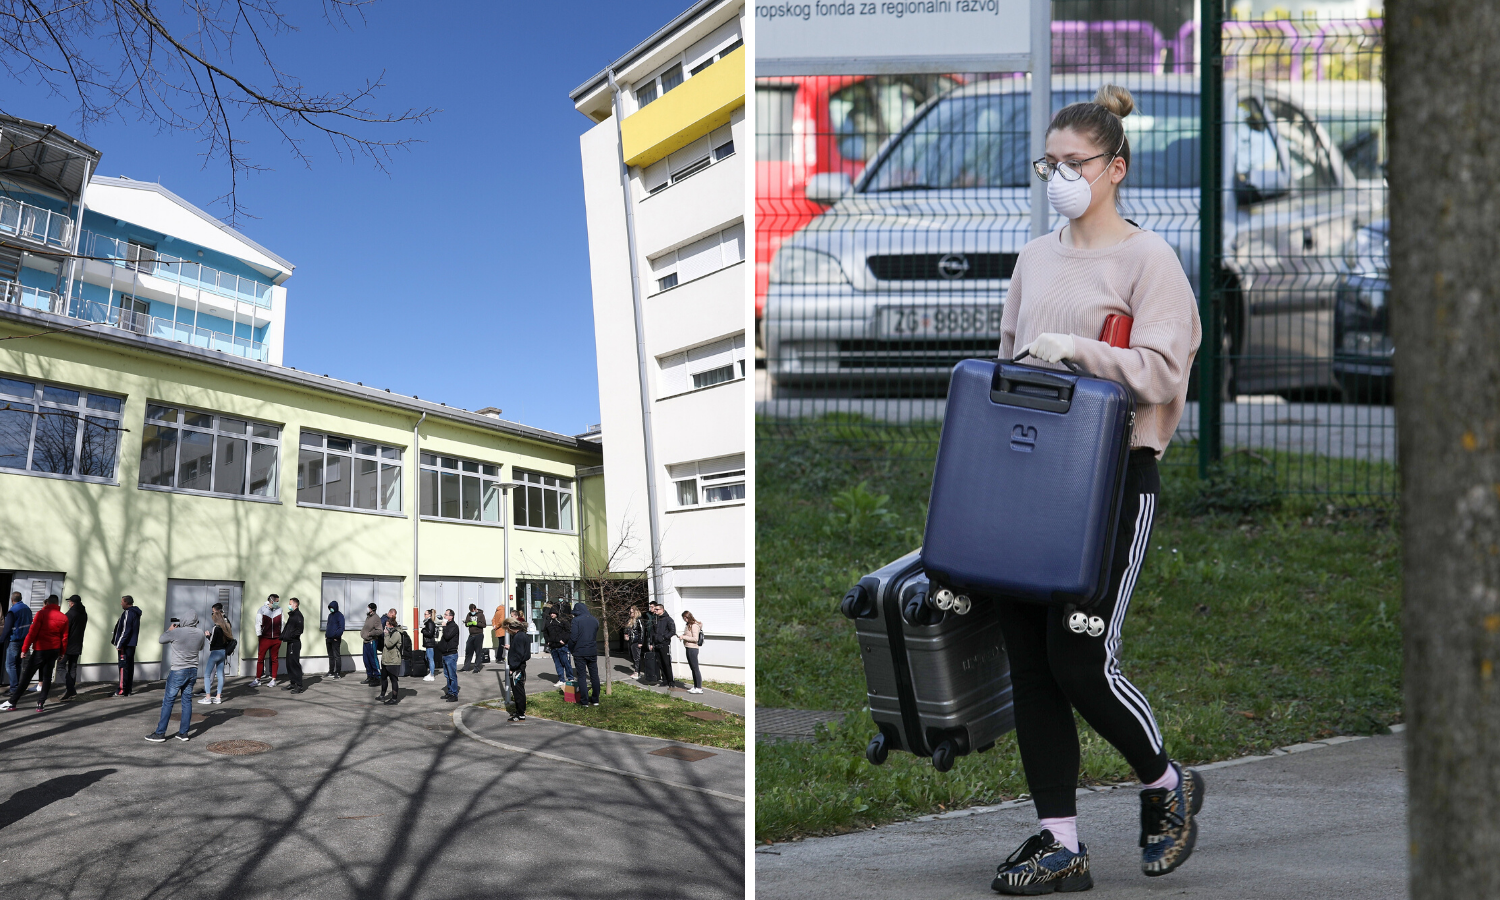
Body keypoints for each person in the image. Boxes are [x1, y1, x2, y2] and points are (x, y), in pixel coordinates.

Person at [988, 85, 1204, 895]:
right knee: (1030, 666)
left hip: (1112, 482)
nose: (1059, 176)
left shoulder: (1149, 261)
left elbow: (1161, 372)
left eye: (1074, 163)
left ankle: (1165, 784)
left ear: (1115, 168)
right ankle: (1060, 842)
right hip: (1026, 482)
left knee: (1079, 658)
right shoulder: (1034, 257)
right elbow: (1008, 367)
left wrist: (1078, 350)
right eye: (1050, 162)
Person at [0, 594, 67, 711]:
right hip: (54, 650)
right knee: (47, 677)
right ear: (57, 604)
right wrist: (62, 653)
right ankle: (41, 704)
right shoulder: (63, 618)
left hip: (40, 650)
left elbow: (32, 633)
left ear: (48, 603)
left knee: (27, 677)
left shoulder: (41, 614)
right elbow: (64, 638)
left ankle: (12, 702)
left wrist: (24, 649)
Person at [146, 614, 205, 743]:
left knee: (168, 701)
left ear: (184, 620)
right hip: (193, 670)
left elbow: (161, 639)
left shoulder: (177, 632)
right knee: (187, 701)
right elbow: (201, 647)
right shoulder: (200, 633)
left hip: (178, 670)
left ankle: (160, 733)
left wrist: (169, 630)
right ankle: (183, 733)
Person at [568, 601, 600, 707]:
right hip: (592, 651)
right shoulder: (595, 620)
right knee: (594, 676)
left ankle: (584, 701)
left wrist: (570, 649)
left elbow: (573, 638)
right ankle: (595, 699)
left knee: (581, 676)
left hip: (579, 651)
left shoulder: (576, 620)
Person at [2, 591, 32, 691]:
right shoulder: (27, 609)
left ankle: (14, 689)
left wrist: (1, 640)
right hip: (24, 640)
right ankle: (17, 687)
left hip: (14, 640)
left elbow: (7, 628)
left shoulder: (13, 611)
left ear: (12, 600)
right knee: (18, 664)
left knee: (10, 665)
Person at [111, 595, 141, 696]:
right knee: (129, 666)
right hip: (130, 644)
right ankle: (128, 689)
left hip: (126, 645)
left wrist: (119, 644)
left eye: (122, 601)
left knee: (123, 667)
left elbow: (125, 630)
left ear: (126, 602)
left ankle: (122, 689)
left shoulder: (128, 613)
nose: (121, 603)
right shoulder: (134, 613)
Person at [60, 594, 87, 701]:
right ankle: (70, 691)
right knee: (72, 667)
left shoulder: (70, 614)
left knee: (60, 666)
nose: (69, 604)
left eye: (69, 602)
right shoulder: (84, 613)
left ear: (72, 603)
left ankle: (70, 689)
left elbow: (64, 630)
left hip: (68, 644)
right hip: (78, 644)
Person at [204, 602, 233, 704]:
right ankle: (218, 697)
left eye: (213, 613)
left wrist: (208, 636)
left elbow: (212, 642)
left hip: (215, 652)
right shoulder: (226, 625)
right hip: (223, 651)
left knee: (207, 674)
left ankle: (207, 697)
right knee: (220, 674)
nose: (212, 615)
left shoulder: (216, 627)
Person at [504, 614, 530, 721]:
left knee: (517, 690)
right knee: (519, 689)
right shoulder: (523, 635)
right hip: (520, 666)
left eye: (507, 629)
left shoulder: (518, 636)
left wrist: (513, 667)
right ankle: (520, 711)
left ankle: (520, 713)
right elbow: (524, 652)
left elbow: (519, 654)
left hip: (517, 667)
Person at [253, 593, 282, 687]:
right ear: (271, 601)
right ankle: (258, 679)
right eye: (276, 601)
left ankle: (273, 679)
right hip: (265, 638)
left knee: (274, 659)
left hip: (276, 638)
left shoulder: (280, 610)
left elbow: (282, 623)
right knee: (260, 659)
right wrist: (259, 635)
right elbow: (258, 623)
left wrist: (280, 635)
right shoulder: (262, 609)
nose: (278, 603)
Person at [378, 614, 408, 704]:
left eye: (387, 625)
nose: (385, 626)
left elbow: (389, 644)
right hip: (386, 660)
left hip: (393, 661)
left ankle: (394, 699)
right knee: (383, 678)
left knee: (393, 679)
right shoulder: (389, 633)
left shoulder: (396, 634)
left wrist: (386, 635)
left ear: (391, 625)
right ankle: (382, 695)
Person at [647, 601, 676, 688]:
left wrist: (664, 638)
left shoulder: (668, 619)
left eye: (657, 609)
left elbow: (672, 631)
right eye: (654, 609)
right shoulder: (655, 619)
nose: (654, 610)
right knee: (660, 663)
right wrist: (651, 643)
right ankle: (665, 680)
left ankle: (671, 681)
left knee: (666, 663)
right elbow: (652, 632)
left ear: (662, 610)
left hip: (664, 644)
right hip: (656, 644)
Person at [543, 606, 574, 688]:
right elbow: (545, 632)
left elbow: (568, 631)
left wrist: (563, 640)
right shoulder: (548, 622)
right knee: (558, 664)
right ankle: (561, 679)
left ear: (557, 613)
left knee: (566, 663)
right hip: (553, 646)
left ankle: (570, 678)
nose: (552, 615)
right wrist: (548, 641)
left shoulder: (563, 621)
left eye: (553, 613)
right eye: (551, 613)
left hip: (562, 646)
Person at [281, 597, 305, 693]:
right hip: (290, 642)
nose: (289, 605)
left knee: (294, 664)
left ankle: (299, 686)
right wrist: (284, 636)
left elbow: (299, 630)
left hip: (294, 643)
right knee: (289, 664)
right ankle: (293, 683)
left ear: (295, 605)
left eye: (290, 603)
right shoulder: (292, 615)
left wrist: (290, 636)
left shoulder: (298, 616)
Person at [437, 608, 460, 702]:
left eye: (446, 615)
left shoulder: (454, 626)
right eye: (444, 614)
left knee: (452, 675)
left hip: (451, 654)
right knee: (447, 675)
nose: (444, 616)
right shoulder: (448, 626)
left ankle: (454, 694)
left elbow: (447, 636)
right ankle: (450, 692)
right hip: (445, 653)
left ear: (451, 616)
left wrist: (444, 626)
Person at [680, 610, 705, 694]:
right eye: (684, 618)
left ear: (688, 617)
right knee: (692, 668)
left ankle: (699, 687)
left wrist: (684, 637)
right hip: (688, 647)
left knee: (695, 668)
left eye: (685, 618)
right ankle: (695, 686)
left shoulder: (694, 626)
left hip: (693, 648)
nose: (685, 620)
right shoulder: (688, 625)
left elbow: (695, 639)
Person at [359, 602, 382, 685]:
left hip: (372, 641)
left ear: (372, 609)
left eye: (368, 608)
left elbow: (379, 630)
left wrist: (370, 634)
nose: (367, 609)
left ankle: (378, 677)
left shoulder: (376, 618)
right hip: (365, 641)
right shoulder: (368, 617)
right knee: (366, 660)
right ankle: (370, 676)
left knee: (373, 659)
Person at [462, 604, 487, 673]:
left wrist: (476, 623)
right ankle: (466, 667)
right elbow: (466, 623)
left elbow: (484, 625)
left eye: (473, 611)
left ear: (475, 609)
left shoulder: (481, 615)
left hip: (479, 635)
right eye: (471, 611)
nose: (472, 612)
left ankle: (476, 668)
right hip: (471, 635)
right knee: (468, 651)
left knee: (478, 652)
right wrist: (468, 623)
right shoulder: (469, 614)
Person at [325, 600, 346, 679]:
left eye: (332, 607)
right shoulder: (330, 615)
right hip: (328, 639)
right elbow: (328, 626)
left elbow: (341, 628)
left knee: (336, 656)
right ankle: (331, 671)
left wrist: (336, 636)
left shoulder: (340, 616)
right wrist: (326, 635)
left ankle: (337, 672)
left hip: (335, 640)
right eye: (330, 607)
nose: (331, 609)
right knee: (331, 656)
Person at [622, 606, 644, 676]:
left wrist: (640, 642)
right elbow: (627, 629)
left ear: (635, 612)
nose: (630, 613)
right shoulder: (630, 620)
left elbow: (642, 631)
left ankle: (637, 672)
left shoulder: (638, 620)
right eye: (629, 612)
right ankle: (636, 670)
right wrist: (626, 634)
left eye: (631, 612)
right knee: (632, 655)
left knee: (636, 657)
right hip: (631, 640)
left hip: (636, 640)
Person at [420, 609, 438, 682]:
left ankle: (432, 674)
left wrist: (423, 630)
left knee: (430, 659)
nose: (424, 615)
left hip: (430, 643)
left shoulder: (429, 622)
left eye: (425, 614)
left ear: (429, 615)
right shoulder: (428, 622)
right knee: (427, 658)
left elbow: (430, 633)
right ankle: (430, 672)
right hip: (428, 643)